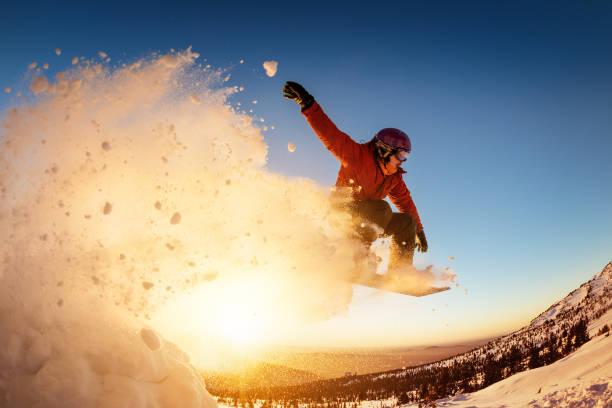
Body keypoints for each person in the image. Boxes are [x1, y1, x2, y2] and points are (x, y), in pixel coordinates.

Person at [282, 81, 428, 269]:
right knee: (382, 208)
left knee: (407, 222)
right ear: (385, 150)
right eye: (401, 155)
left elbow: (406, 203)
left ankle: (401, 272)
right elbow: (330, 134)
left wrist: (419, 231)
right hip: (343, 213)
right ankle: (354, 258)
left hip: (370, 219)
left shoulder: (394, 178)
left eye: (406, 156)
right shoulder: (356, 156)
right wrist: (307, 103)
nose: (403, 160)